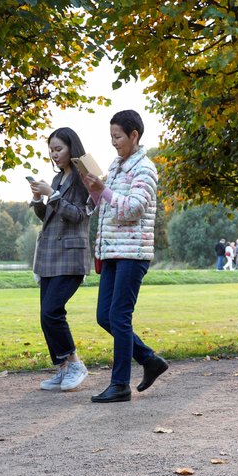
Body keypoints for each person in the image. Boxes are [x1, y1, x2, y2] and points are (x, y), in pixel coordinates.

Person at [83, 110, 167, 403]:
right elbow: (105, 206)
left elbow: (132, 209)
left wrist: (103, 190)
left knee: (119, 316)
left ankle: (120, 384)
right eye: (111, 137)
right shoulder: (116, 166)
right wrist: (94, 191)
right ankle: (149, 359)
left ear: (134, 135)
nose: (113, 143)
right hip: (111, 252)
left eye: (117, 137)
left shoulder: (145, 168)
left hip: (133, 253)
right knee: (105, 316)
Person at [29, 127, 92, 393]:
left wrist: (52, 196)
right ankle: (63, 367)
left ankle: (75, 363)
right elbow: (50, 218)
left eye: (59, 149)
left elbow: (78, 215)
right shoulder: (57, 180)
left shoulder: (83, 179)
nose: (54, 155)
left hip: (71, 256)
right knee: (46, 316)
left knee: (52, 311)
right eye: (51, 150)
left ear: (71, 148)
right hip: (49, 256)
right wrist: (37, 199)